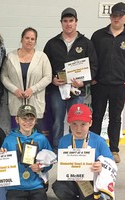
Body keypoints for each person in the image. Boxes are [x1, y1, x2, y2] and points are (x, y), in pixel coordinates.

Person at [90, 2, 125, 163]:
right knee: (97, 116)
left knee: (115, 118)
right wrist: (92, 78)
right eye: (114, 15)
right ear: (110, 16)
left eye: (119, 16)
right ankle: (93, 148)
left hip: (120, 86)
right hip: (99, 84)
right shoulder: (98, 35)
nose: (116, 18)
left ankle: (114, 149)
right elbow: (91, 59)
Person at [43, 7, 98, 153]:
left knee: (77, 121)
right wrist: (52, 80)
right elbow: (44, 66)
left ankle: (76, 148)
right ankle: (57, 148)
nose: (68, 24)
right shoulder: (51, 43)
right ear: (61, 23)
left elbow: (93, 67)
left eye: (71, 21)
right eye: (65, 21)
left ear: (76, 22)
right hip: (57, 90)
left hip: (77, 90)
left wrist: (84, 82)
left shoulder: (86, 43)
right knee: (57, 121)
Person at [52, 104, 114, 200]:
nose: (78, 128)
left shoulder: (99, 141)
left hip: (91, 181)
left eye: (83, 124)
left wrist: (101, 165)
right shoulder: (64, 141)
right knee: (59, 187)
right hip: (72, 179)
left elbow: (110, 161)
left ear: (90, 123)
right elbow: (62, 163)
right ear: (69, 123)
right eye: (74, 124)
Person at [0, 104, 53, 200]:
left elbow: (50, 161)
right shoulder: (9, 139)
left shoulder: (42, 139)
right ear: (17, 119)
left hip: (36, 185)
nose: (28, 122)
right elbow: (2, 166)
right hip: (15, 186)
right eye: (24, 118)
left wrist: (41, 168)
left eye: (31, 119)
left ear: (36, 120)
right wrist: (0, 157)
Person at [1, 27, 52, 129]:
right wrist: (14, 89)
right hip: (16, 100)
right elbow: (4, 76)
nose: (29, 41)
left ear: (35, 41)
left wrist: (32, 89)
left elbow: (48, 77)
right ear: (21, 39)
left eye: (32, 39)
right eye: (27, 38)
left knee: (35, 137)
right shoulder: (10, 56)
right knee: (17, 136)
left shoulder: (42, 57)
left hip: (35, 101)